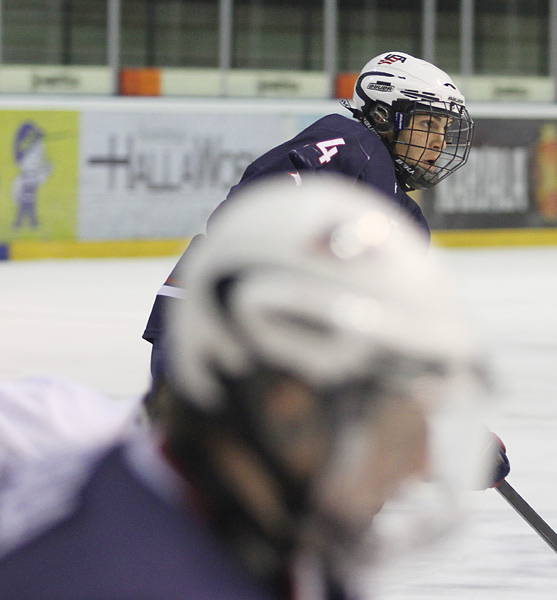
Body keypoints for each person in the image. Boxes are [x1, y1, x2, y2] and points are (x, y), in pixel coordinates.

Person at [0, 177, 495, 600]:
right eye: (395, 425)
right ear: (287, 409)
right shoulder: (129, 575)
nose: (422, 463)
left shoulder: (222, 519)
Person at [142, 51, 474, 379]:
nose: (439, 142)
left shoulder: (406, 216)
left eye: (444, 128)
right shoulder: (354, 145)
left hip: (268, 349)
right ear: (385, 117)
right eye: (428, 123)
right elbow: (243, 212)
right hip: (215, 324)